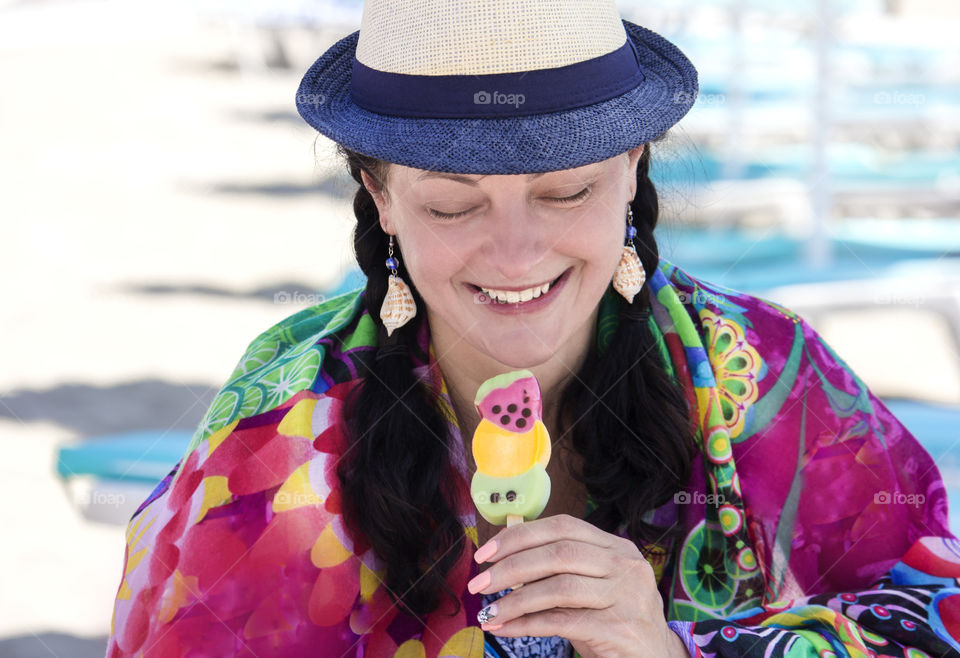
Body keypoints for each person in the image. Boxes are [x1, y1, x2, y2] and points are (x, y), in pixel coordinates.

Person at [106, 1, 960, 657]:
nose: (516, 255)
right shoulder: (275, 440)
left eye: (566, 193)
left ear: (633, 169)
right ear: (381, 198)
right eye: (452, 202)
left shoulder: (776, 376)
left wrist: (672, 649)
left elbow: (935, 612)